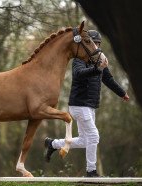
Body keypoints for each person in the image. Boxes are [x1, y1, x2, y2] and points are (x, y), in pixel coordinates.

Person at [44, 30, 129, 177]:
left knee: (85, 140)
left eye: (97, 44)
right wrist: (97, 69)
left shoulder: (100, 61)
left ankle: (52, 144)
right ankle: (91, 171)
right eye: (94, 43)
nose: (95, 47)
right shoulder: (79, 59)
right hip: (79, 105)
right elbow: (78, 74)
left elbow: (108, 79)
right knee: (94, 137)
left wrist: (122, 93)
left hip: (90, 106)